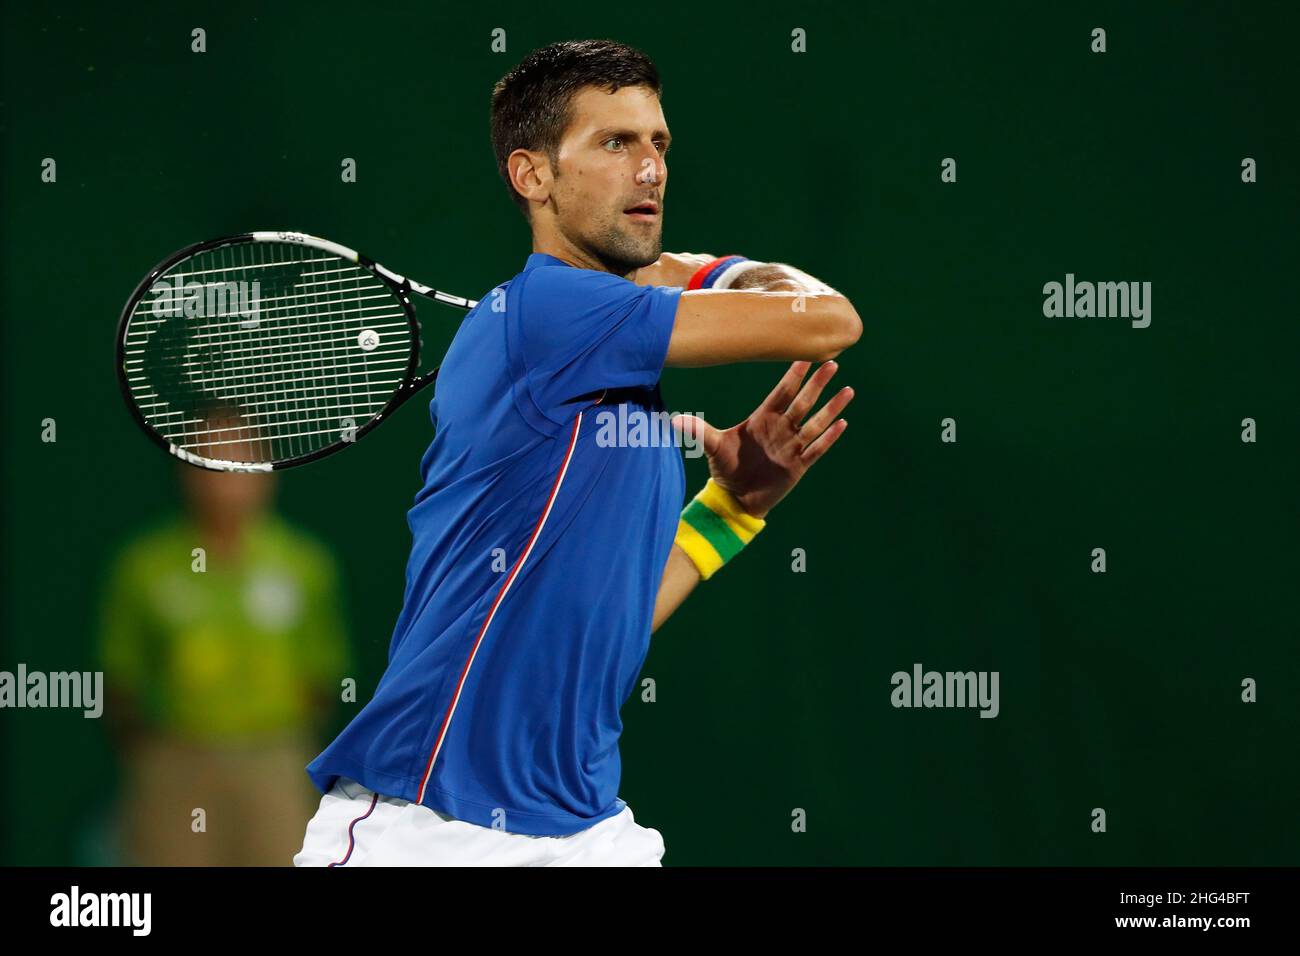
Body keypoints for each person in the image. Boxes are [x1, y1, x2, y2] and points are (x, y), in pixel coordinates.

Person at [295, 38, 861, 867]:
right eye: (614, 143)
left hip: (586, 828)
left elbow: (611, 621)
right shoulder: (556, 310)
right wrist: (698, 268)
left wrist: (734, 509)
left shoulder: (605, 354)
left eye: (658, 142)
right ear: (532, 177)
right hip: (427, 825)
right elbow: (827, 319)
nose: (651, 169)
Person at [100, 411, 351, 865]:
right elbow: (121, 684)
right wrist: (164, 759)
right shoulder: (142, 565)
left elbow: (322, 678)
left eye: (237, 457)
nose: (223, 473)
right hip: (175, 763)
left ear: (265, 471)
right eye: (208, 457)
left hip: (276, 762)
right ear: (185, 469)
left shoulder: (305, 563)